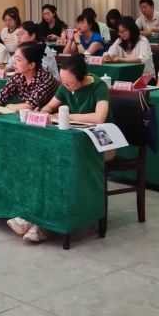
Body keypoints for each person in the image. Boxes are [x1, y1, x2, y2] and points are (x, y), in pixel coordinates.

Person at [7, 55, 110, 244]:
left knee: (54, 165)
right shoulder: (65, 85)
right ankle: (34, 218)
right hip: (72, 142)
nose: (66, 86)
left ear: (83, 78)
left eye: (70, 83)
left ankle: (40, 224)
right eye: (63, 81)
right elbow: (50, 106)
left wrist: (67, 116)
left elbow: (99, 117)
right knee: (39, 163)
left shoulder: (98, 86)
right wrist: (42, 113)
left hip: (99, 143)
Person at [0, 43, 58, 111]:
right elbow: (0, 98)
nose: (14, 63)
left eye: (18, 60)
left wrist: (9, 106)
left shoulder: (46, 80)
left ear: (31, 65)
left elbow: (30, 106)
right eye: (14, 59)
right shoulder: (18, 77)